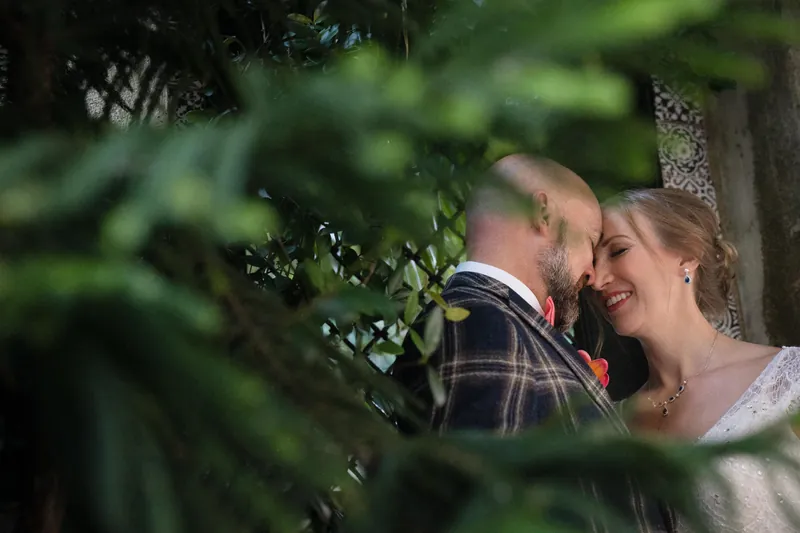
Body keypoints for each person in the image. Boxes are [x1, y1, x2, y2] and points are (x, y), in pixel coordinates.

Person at [390, 154, 672, 532]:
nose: (591, 272)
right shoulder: (480, 324)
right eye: (590, 242)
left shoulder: (496, 321)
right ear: (542, 213)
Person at [591, 187, 800, 532]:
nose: (598, 280)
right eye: (593, 264)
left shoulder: (790, 381)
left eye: (618, 250)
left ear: (686, 254)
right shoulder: (611, 424)